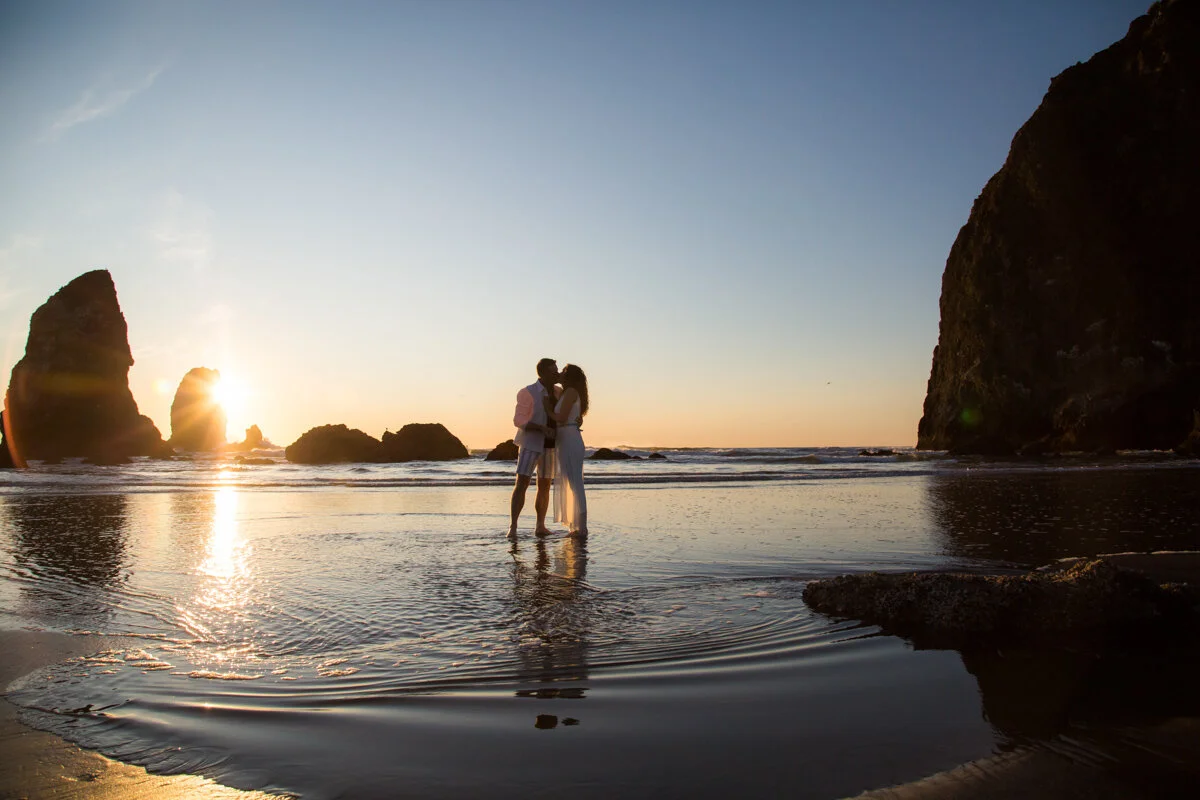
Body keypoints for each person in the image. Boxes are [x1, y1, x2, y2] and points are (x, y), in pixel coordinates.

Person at [509, 358, 561, 538]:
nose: (557, 373)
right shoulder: (527, 392)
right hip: (530, 444)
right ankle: (513, 527)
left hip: (551, 446)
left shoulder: (558, 392)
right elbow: (518, 420)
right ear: (544, 372)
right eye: (554, 371)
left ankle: (540, 525)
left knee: (545, 485)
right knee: (521, 483)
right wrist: (540, 427)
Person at [548, 363, 588, 536]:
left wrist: (546, 408)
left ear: (570, 376)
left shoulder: (571, 392)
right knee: (572, 483)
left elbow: (561, 417)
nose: (561, 374)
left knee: (575, 483)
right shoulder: (565, 392)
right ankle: (576, 524)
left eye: (564, 371)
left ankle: (582, 527)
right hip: (565, 439)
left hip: (570, 438)